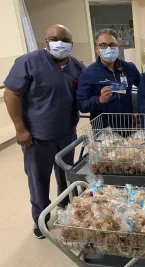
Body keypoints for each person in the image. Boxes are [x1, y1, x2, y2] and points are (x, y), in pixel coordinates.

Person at [3, 25, 85, 239]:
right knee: (39, 179)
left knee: (65, 176)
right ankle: (41, 219)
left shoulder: (76, 66)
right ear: (46, 41)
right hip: (37, 137)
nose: (60, 43)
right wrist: (20, 129)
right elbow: (11, 94)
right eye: (55, 38)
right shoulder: (28, 62)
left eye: (65, 39)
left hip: (67, 134)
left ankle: (67, 210)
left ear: (71, 44)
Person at [77, 28, 141, 124]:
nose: (108, 48)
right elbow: (82, 106)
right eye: (103, 45)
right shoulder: (88, 74)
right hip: (103, 129)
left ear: (117, 46)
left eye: (112, 45)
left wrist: (141, 110)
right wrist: (99, 100)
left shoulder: (129, 68)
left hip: (127, 126)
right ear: (96, 48)